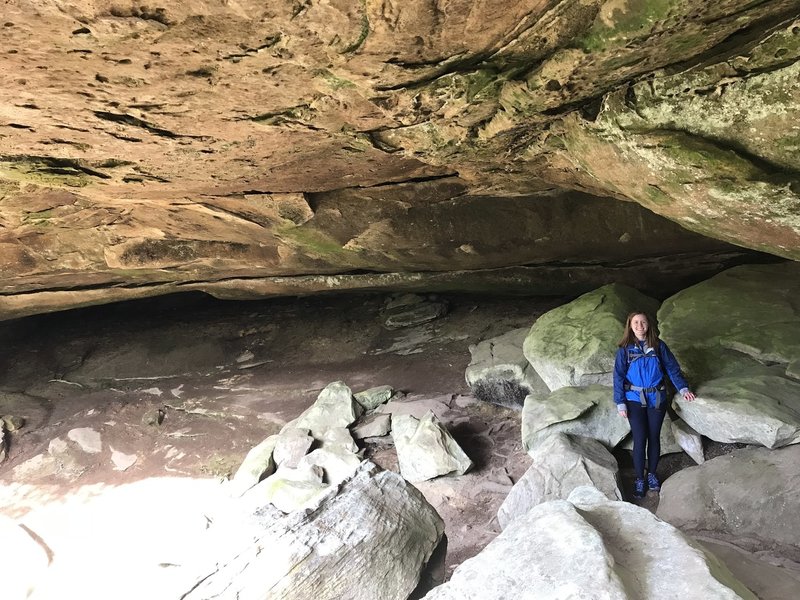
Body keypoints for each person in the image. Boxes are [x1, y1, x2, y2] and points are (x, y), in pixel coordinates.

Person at [613, 311, 695, 499]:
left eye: (643, 322)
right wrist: (620, 403)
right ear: (630, 326)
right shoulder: (624, 350)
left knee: (654, 437)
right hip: (634, 398)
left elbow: (672, 368)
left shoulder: (659, 346)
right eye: (635, 322)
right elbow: (618, 376)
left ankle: (652, 475)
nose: (639, 325)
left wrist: (683, 389)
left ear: (648, 325)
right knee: (640, 438)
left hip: (656, 397)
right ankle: (640, 478)